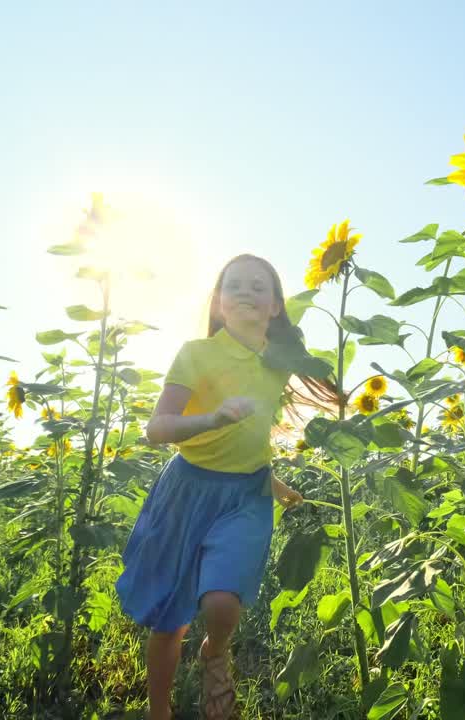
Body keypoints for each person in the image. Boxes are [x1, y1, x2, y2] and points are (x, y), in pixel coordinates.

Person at [115, 253, 333, 720]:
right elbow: (157, 428)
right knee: (168, 619)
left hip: (246, 495)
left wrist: (273, 483)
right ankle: (159, 711)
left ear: (276, 305)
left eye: (260, 286)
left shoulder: (277, 362)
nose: (246, 291)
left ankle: (215, 651)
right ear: (218, 301)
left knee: (221, 600)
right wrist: (212, 418)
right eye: (235, 285)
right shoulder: (197, 353)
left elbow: (253, 438)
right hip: (187, 492)